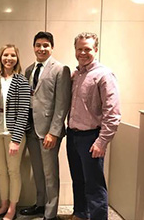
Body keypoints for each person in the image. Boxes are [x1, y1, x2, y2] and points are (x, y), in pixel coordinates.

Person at [67, 32, 120, 220]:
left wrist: (102, 141)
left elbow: (112, 113)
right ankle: (80, 214)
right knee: (78, 180)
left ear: (95, 50)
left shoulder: (104, 75)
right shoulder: (75, 74)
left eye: (87, 49)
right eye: (79, 49)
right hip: (72, 136)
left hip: (91, 138)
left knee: (94, 185)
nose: (83, 52)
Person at [20, 31, 72, 220]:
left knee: (50, 174)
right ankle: (40, 204)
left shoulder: (60, 69)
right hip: (32, 129)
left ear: (51, 47)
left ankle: (50, 214)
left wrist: (54, 132)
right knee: (38, 172)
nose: (41, 48)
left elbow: (62, 104)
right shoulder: (28, 70)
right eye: (38, 45)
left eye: (45, 45)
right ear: (33, 47)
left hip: (48, 132)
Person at [0, 44, 30, 220]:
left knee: (13, 171)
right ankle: (3, 203)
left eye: (12, 55)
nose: (9, 58)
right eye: (6, 55)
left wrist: (17, 138)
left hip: (14, 134)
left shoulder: (21, 81)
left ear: (17, 59)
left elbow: (23, 111)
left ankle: (12, 208)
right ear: (1, 57)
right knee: (0, 171)